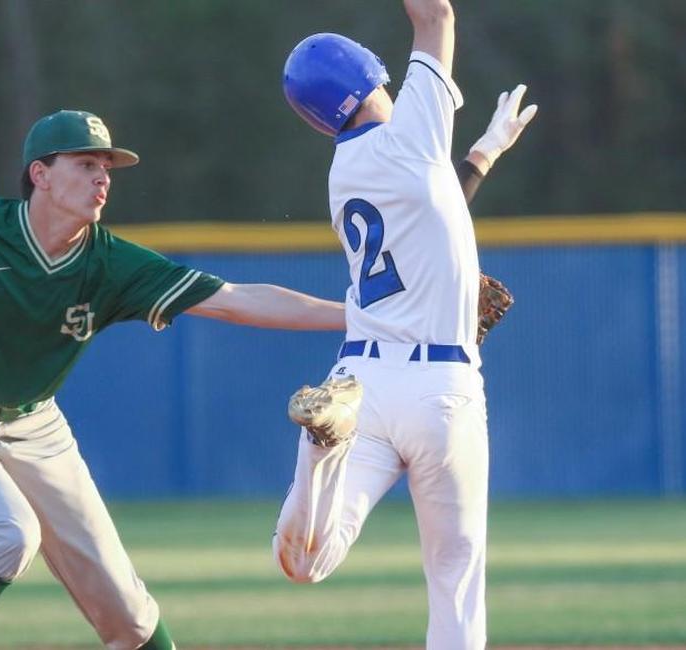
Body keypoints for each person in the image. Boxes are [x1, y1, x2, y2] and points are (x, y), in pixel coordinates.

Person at [0, 109, 347, 650]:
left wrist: (357, 316)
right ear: (40, 174)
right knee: (8, 535)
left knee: (127, 615)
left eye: (107, 167)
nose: (103, 177)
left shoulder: (109, 263)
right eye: (86, 163)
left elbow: (235, 301)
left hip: (34, 425)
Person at [274, 2, 536, 649]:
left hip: (359, 382)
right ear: (370, 82)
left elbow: (437, 200)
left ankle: (318, 452)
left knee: (309, 562)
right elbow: (436, 16)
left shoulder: (348, 171)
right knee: (454, 574)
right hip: (441, 385)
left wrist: (482, 152)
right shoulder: (411, 137)